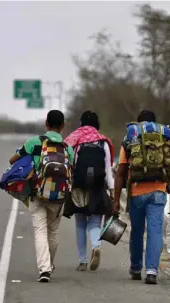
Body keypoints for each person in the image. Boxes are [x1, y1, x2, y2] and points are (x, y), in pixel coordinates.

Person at [113, 110, 170, 285]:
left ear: (138, 122)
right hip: (159, 191)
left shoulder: (131, 136)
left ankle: (135, 268)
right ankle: (151, 271)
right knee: (155, 232)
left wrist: (115, 200)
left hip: (136, 192)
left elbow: (120, 173)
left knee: (137, 231)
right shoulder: (164, 136)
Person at [9, 110, 74, 283]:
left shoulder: (33, 142)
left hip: (37, 193)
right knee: (53, 232)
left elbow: (13, 160)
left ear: (46, 124)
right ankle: (49, 265)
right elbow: (71, 171)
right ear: (62, 126)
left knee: (40, 231)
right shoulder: (68, 148)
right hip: (59, 196)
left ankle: (44, 270)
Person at [64, 110, 114, 272]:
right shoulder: (103, 142)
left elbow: (70, 165)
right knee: (94, 222)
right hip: (98, 187)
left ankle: (83, 261)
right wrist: (113, 192)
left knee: (80, 224)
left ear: (81, 123)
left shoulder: (75, 140)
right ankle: (96, 246)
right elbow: (108, 170)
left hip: (79, 187)